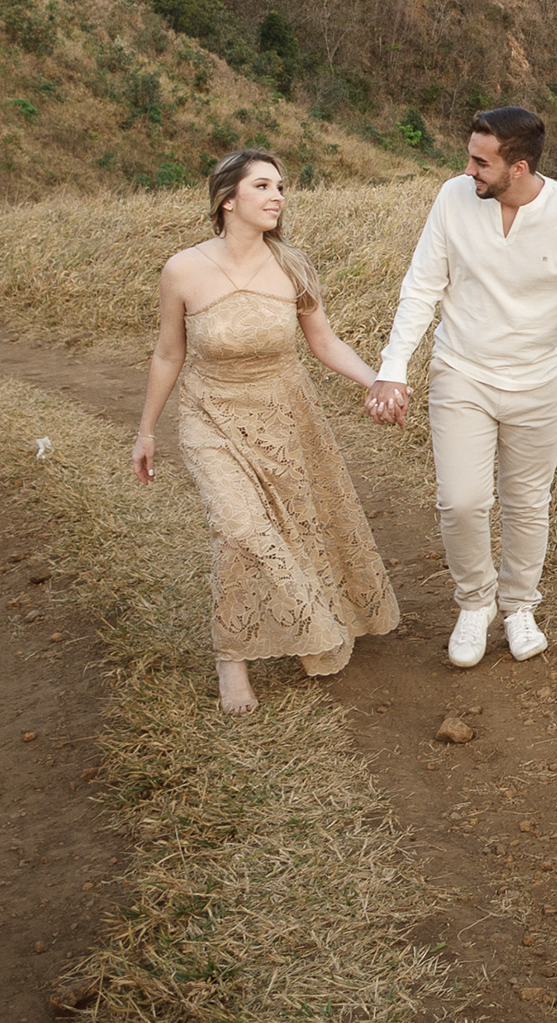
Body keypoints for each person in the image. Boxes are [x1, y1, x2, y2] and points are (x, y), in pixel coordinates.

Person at [133, 149, 404, 714]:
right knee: (238, 529)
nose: (277, 196)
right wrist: (147, 431)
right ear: (227, 199)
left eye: (280, 186)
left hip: (287, 417)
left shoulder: (293, 267)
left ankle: (306, 623)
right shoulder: (182, 269)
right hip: (211, 417)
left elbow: (323, 341)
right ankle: (231, 657)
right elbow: (167, 353)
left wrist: (378, 381)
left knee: (293, 528)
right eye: (262, 186)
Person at [366, 104, 557, 667]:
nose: (468, 170)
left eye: (481, 162)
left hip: (540, 383)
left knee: (527, 505)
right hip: (462, 372)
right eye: (470, 158)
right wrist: (393, 366)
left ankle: (519, 605)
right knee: (462, 501)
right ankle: (475, 604)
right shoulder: (453, 198)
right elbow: (421, 287)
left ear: (518, 168)